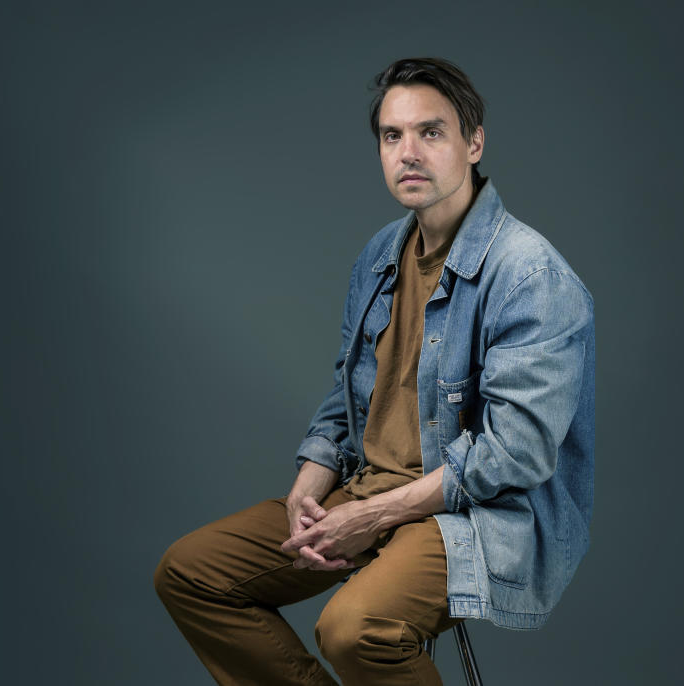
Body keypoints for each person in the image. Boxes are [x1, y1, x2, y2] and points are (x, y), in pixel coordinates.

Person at [154, 56, 597, 686]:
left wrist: (375, 516)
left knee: (352, 628)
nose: (408, 152)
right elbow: (348, 393)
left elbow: (515, 454)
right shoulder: (381, 255)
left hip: (476, 517)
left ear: (473, 143)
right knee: (191, 573)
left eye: (431, 132)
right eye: (393, 135)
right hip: (367, 490)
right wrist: (310, 483)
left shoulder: (529, 275)